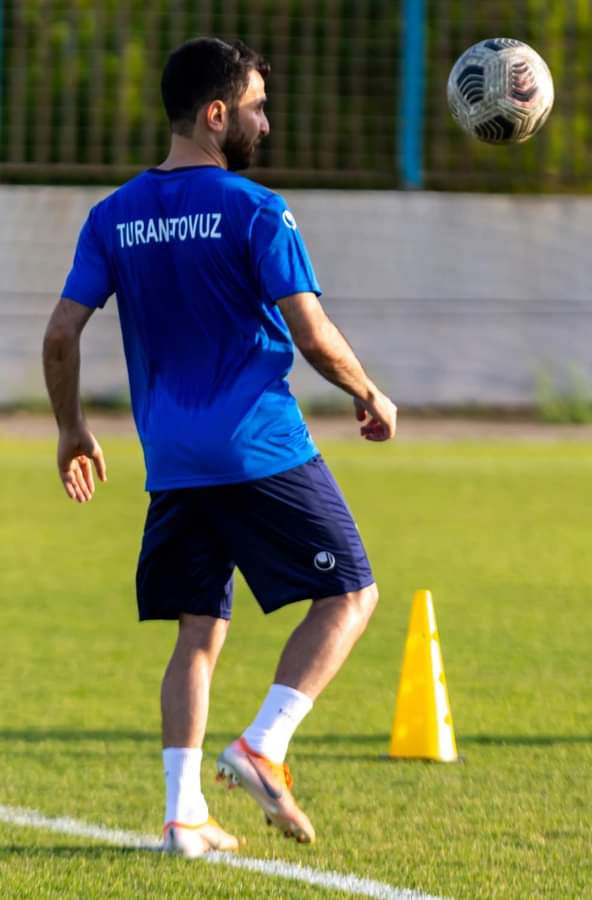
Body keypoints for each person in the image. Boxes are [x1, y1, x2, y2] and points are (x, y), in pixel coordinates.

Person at [42, 36, 397, 858]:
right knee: (351, 593)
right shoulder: (256, 210)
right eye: (256, 108)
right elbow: (311, 332)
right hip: (256, 449)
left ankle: (183, 816)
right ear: (215, 114)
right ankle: (264, 745)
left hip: (173, 461)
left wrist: (70, 428)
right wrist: (368, 392)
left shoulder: (112, 216)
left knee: (198, 631)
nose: (264, 124)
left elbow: (61, 334)